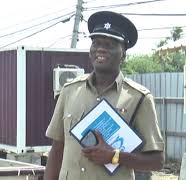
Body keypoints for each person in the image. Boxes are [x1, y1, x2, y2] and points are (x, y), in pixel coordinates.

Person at [44, 11, 164, 180]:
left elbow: (156, 161)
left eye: (110, 44)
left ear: (123, 53)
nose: (101, 48)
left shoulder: (139, 98)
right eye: (96, 42)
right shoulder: (70, 90)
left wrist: (115, 156)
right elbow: (57, 149)